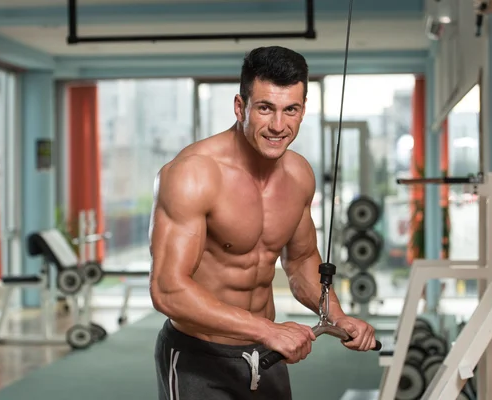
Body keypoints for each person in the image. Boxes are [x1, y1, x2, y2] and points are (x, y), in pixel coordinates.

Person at [149, 46, 377, 400]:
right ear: (241, 107)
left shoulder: (299, 174)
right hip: (200, 355)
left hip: (266, 353)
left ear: (303, 110)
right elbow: (167, 289)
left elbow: (301, 261)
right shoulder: (193, 174)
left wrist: (337, 315)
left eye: (291, 110)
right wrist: (267, 330)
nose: (278, 126)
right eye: (265, 108)